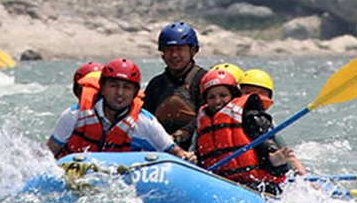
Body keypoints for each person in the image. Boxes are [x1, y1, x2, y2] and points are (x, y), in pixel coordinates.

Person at [47, 58, 194, 160]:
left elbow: (175, 152)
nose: (120, 93)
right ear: (102, 88)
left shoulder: (145, 122)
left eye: (127, 87)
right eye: (113, 86)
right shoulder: (74, 115)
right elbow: (48, 153)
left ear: (135, 92)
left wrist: (186, 156)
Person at [192, 67, 305, 194]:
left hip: (257, 186)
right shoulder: (203, 121)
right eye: (211, 97)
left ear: (233, 96)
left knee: (274, 161)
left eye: (223, 95)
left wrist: (274, 158)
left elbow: (265, 144)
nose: (217, 101)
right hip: (222, 183)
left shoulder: (250, 117)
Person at [142, 22, 207, 145]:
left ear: (193, 51)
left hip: (194, 148)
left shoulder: (203, 80)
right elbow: (145, 119)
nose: (174, 55)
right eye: (169, 50)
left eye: (179, 49)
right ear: (163, 54)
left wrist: (185, 132)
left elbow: (209, 113)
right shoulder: (156, 84)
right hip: (162, 147)